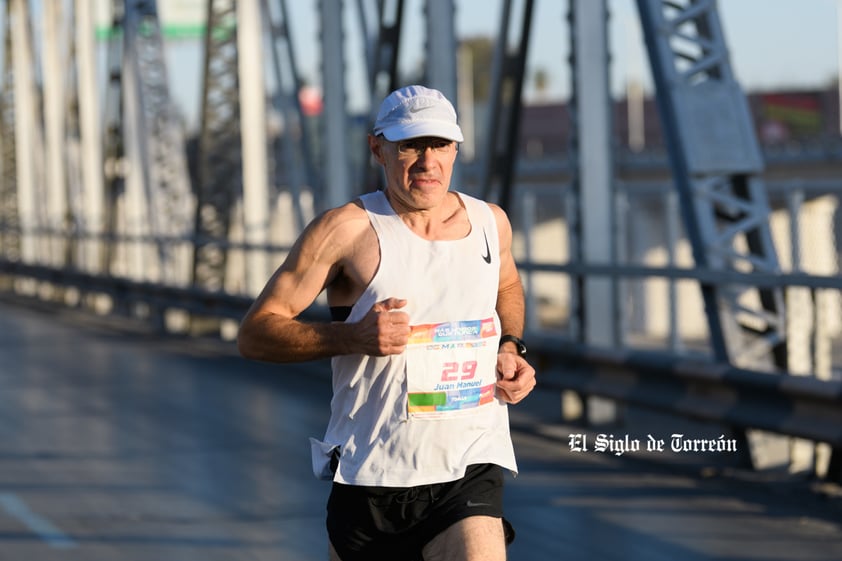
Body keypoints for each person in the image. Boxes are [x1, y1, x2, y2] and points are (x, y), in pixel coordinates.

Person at [237, 84, 537, 561]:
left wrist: (511, 346)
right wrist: (351, 336)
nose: (427, 161)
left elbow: (506, 287)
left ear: (456, 148)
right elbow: (255, 334)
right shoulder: (346, 229)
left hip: (468, 464)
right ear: (377, 147)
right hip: (370, 475)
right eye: (409, 145)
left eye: (439, 144)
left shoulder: (489, 222)